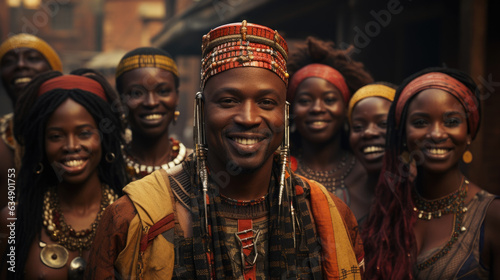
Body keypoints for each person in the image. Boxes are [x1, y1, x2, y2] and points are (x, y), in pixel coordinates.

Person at [85, 20, 364, 279]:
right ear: (202, 109)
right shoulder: (135, 218)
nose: (249, 118)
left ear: (285, 113)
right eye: (229, 101)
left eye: (267, 103)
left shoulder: (328, 214)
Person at [362, 67, 500, 279]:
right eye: (420, 122)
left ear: (469, 133)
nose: (436, 133)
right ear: (404, 134)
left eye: (452, 122)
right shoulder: (385, 212)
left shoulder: (491, 216)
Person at [0, 71, 127, 279]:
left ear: (105, 139)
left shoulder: (131, 217)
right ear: (41, 144)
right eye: (56, 136)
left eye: (85, 133)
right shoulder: (13, 220)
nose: (71, 146)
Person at [287, 37, 374, 219]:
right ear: (291, 110)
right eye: (304, 101)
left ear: (346, 110)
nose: (317, 108)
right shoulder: (280, 173)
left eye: (329, 100)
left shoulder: (370, 171)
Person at [0, 33, 63, 208]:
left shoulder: (76, 129)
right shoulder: (3, 135)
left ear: (54, 70)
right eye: (8, 61)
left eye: (33, 58)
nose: (20, 65)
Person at [115, 47, 189, 181]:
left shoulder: (197, 166)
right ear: (121, 101)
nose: (151, 102)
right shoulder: (109, 168)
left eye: (163, 91)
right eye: (136, 93)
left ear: (176, 97)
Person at [347, 83, 396, 225]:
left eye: (383, 124)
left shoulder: (425, 194)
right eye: (358, 127)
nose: (368, 132)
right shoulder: (341, 198)